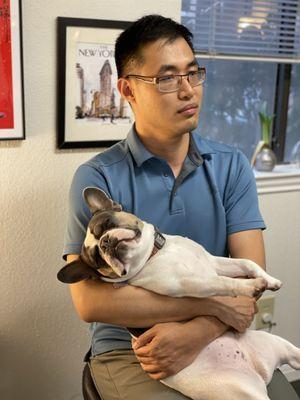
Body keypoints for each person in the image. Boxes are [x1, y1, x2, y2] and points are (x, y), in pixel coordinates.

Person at [63, 14, 266, 400]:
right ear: (127, 89)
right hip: (135, 349)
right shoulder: (97, 180)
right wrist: (216, 305)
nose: (189, 90)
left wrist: (200, 329)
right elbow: (90, 301)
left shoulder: (231, 165)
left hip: (217, 334)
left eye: (193, 73)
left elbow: (251, 276)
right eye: (168, 78)